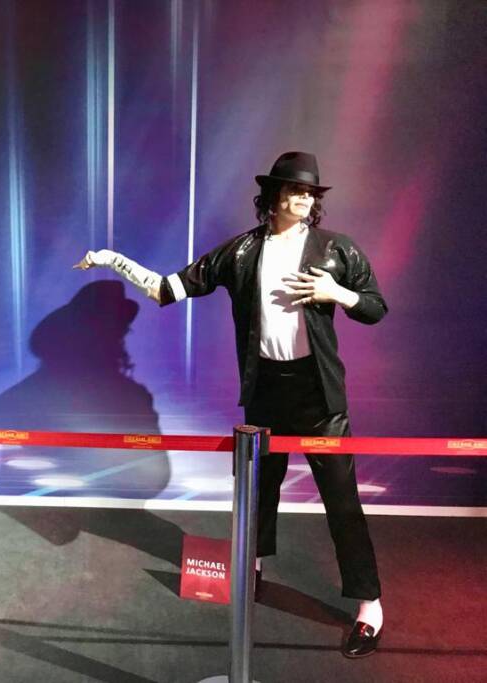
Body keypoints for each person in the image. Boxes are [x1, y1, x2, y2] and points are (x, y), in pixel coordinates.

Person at [75, 151, 386, 658]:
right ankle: (252, 570)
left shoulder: (336, 249)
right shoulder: (241, 251)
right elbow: (165, 289)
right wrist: (111, 259)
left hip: (319, 396)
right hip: (266, 391)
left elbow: (375, 307)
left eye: (311, 192)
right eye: (295, 189)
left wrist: (340, 293)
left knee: (342, 502)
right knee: (257, 493)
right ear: (273, 197)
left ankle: (369, 607)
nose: (305, 198)